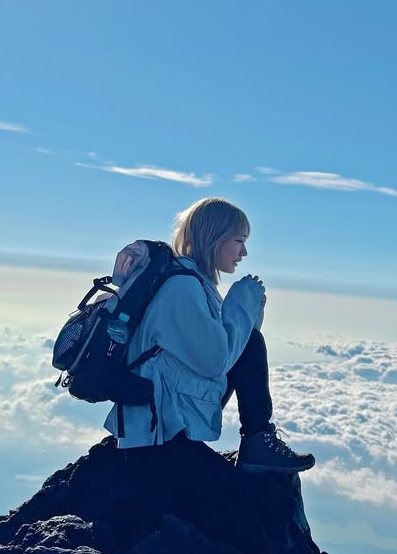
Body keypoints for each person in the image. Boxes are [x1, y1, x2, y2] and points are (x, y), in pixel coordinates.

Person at [104, 197, 315, 473]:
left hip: (162, 417)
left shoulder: (191, 281)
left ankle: (257, 442)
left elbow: (230, 352)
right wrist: (242, 302)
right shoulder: (181, 288)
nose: (244, 252)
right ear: (213, 238)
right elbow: (216, 361)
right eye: (239, 241)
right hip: (158, 429)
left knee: (249, 343)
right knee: (251, 343)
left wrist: (251, 314)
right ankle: (256, 441)